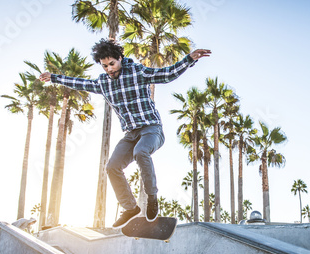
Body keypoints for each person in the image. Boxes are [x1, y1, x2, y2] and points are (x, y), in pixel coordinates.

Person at [40, 39, 211, 227]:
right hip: (130, 134)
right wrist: (54, 78)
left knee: (141, 152)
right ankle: (130, 208)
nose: (109, 69)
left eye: (112, 64)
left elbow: (166, 75)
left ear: (120, 58)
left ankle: (152, 197)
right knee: (112, 166)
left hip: (151, 129)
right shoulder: (103, 83)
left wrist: (189, 59)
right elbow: (80, 83)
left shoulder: (138, 72)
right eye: (105, 66)